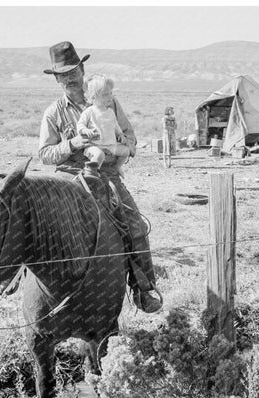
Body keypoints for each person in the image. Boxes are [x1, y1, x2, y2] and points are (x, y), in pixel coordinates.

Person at [39, 41, 162, 313]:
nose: (70, 78)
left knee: (136, 227)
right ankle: (34, 294)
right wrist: (72, 144)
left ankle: (144, 289)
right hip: (69, 179)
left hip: (107, 176)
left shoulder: (108, 101)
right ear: (57, 79)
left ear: (83, 70)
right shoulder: (54, 112)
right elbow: (45, 154)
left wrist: (123, 150)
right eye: (63, 74)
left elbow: (130, 135)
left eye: (73, 71)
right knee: (42, 232)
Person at [77, 75, 130, 177]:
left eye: (111, 93)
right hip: (94, 145)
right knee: (98, 155)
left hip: (110, 145)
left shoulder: (110, 111)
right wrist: (85, 130)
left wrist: (120, 134)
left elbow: (115, 125)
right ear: (93, 97)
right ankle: (93, 174)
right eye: (105, 94)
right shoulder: (89, 111)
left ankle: (117, 167)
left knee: (125, 152)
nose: (110, 96)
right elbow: (80, 125)